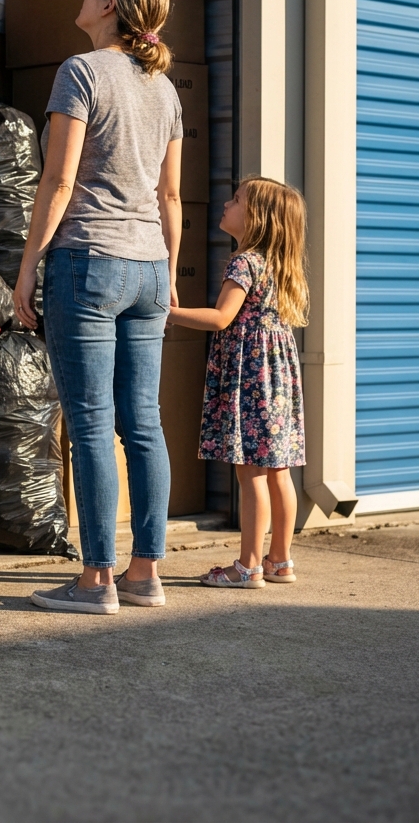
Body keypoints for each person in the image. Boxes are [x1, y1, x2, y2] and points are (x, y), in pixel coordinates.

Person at [14, 0, 183, 615]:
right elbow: (170, 194)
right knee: (143, 424)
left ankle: (97, 581)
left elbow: (57, 184)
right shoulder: (164, 90)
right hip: (146, 268)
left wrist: (28, 266)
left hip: (88, 261)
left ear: (110, 4)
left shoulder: (80, 72)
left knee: (89, 425)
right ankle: (145, 574)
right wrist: (166, 269)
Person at [168, 176, 309, 587]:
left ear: (256, 218)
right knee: (278, 470)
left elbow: (221, 318)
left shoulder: (244, 262)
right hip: (278, 376)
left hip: (250, 375)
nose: (226, 204)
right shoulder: (282, 266)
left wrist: (166, 312)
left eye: (236, 199)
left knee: (251, 474)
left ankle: (247, 566)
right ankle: (280, 560)